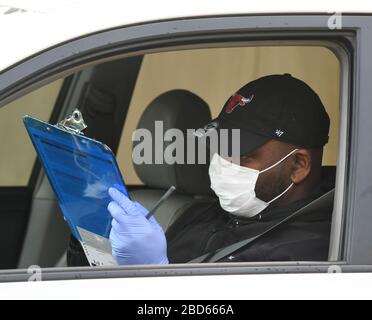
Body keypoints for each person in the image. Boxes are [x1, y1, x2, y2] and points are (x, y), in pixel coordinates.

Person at [67, 74, 335, 266]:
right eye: (221, 147)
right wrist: (94, 230)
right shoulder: (200, 214)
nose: (222, 162)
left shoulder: (311, 254)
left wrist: (154, 274)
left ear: (298, 166)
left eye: (241, 155)